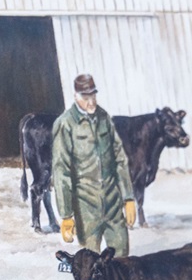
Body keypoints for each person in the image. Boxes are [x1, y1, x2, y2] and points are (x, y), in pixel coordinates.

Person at [52, 74, 136, 257]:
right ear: (76, 96)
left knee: (122, 260)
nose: (91, 103)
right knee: (91, 266)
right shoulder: (66, 124)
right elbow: (61, 171)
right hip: (86, 209)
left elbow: (119, 159)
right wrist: (66, 215)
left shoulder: (104, 117)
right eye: (85, 98)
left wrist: (128, 197)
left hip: (112, 204)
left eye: (93, 96)